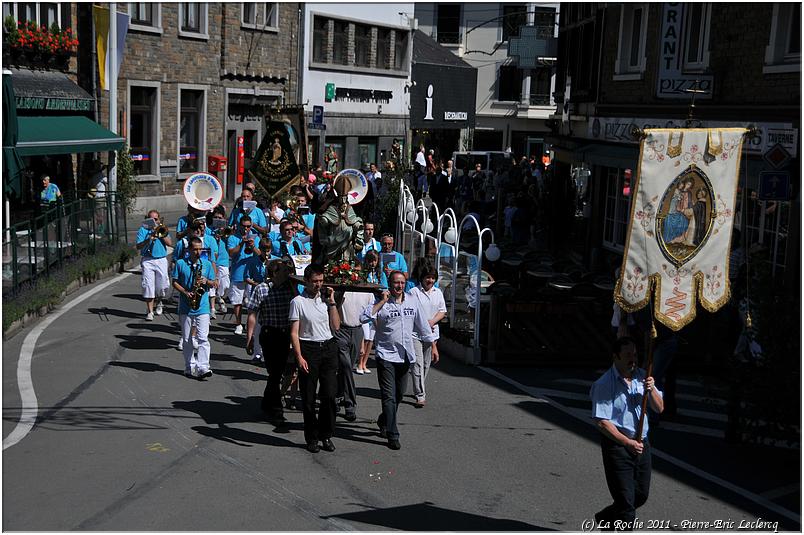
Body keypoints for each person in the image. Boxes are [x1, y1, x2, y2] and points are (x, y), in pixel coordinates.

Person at [590, 337, 664, 530]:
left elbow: (660, 408)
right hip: (618, 445)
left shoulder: (643, 377)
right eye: (628, 355)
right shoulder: (605, 384)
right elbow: (602, 422)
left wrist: (652, 390)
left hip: (642, 444)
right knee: (626, 505)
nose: (633, 359)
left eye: (635, 354)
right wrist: (626, 442)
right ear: (616, 357)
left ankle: (606, 518)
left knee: (640, 495)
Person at [361, 271, 435, 450]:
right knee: (388, 396)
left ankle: (384, 419)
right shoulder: (381, 302)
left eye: (402, 283)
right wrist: (381, 302)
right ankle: (393, 433)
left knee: (399, 394)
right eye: (396, 283)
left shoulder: (412, 300)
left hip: (405, 355)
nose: (399, 286)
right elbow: (363, 317)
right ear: (390, 283)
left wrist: (433, 345)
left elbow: (423, 325)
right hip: (386, 355)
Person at [289, 264, 341, 453]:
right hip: (309, 348)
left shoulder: (325, 300)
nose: (318, 285)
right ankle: (311, 436)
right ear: (306, 281)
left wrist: (332, 302)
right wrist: (299, 356)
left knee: (329, 396)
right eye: (314, 281)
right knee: (309, 397)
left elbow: (336, 326)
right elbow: (294, 333)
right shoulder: (298, 302)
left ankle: (326, 434)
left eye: (321, 281)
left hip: (327, 347)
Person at [245, 259, 298, 423]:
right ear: (274, 273)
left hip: (284, 334)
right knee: (274, 372)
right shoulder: (261, 289)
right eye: (283, 271)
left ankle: (268, 405)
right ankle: (276, 410)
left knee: (277, 373)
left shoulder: (289, 287)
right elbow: (253, 314)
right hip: (269, 334)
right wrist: (249, 338)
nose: (287, 274)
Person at [172, 237, 218, 379]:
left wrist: (207, 281)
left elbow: (215, 283)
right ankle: (189, 366)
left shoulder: (207, 264)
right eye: (195, 249)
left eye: (200, 249)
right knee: (187, 339)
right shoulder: (180, 263)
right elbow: (174, 282)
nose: (198, 252)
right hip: (186, 306)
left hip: (202, 306)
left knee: (203, 338)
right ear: (189, 250)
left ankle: (203, 367)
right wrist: (185, 292)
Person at [407, 260, 446, 408]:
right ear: (421, 278)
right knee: (417, 364)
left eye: (432, 278)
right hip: (415, 334)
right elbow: (410, 312)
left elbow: (442, 311)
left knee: (426, 364)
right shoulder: (414, 292)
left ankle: (419, 385)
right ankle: (420, 395)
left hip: (432, 334)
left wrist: (431, 322)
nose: (430, 280)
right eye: (427, 277)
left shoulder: (438, 293)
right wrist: (423, 324)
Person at [334, 289, 373, 421]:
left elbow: (367, 316)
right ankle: (350, 404)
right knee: (345, 367)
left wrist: (362, 343)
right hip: (341, 330)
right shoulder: (341, 289)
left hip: (357, 331)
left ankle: (337, 396)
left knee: (346, 369)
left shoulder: (367, 293)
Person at [244, 240, 278, 362]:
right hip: (259, 290)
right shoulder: (253, 261)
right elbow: (246, 277)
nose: (266, 252)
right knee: (258, 325)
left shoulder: (276, 260)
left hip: (272, 292)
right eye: (263, 249)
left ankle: (269, 352)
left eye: (268, 249)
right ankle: (257, 353)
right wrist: (255, 283)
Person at [227, 215, 261, 334]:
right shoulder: (232, 237)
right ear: (239, 225)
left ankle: (249, 323)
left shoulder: (255, 237)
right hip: (238, 273)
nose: (246, 229)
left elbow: (261, 254)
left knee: (252, 301)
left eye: (248, 226)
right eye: (244, 226)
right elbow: (231, 253)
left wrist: (253, 246)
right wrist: (242, 243)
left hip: (252, 273)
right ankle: (238, 324)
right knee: (237, 301)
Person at [136, 210, 172, 321]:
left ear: (159, 219)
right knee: (148, 285)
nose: (154, 221)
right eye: (151, 219)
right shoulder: (143, 230)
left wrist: (160, 233)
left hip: (160, 259)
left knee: (162, 286)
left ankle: (159, 300)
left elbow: (169, 243)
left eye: (156, 219)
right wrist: (149, 238)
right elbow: (138, 246)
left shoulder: (162, 229)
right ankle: (150, 311)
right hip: (148, 260)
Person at [211, 206, 231, 314]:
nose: (218, 220)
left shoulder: (227, 230)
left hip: (223, 260)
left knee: (225, 284)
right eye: (216, 218)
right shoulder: (209, 230)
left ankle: (219, 297)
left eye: (220, 218)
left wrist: (224, 234)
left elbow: (231, 241)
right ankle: (212, 307)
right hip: (212, 261)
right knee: (213, 283)